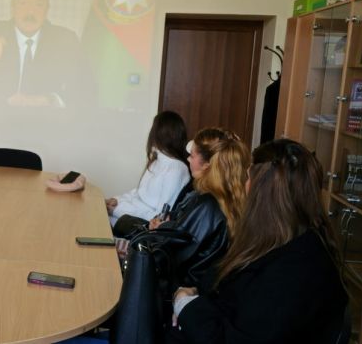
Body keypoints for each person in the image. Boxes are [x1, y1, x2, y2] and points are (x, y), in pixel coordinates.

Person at [169, 139, 347, 344]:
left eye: (247, 178)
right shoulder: (279, 245)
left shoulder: (292, 273)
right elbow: (218, 282)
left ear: (262, 192)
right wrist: (193, 296)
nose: (244, 186)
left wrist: (185, 305)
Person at [145, 127, 249, 295]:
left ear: (207, 165)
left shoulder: (207, 205)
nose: (187, 159)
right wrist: (167, 227)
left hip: (181, 291)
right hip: (203, 290)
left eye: (192, 156)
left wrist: (157, 233)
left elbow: (176, 255)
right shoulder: (229, 200)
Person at [106, 111, 190, 230]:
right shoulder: (157, 161)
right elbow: (138, 193)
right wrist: (117, 200)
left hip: (139, 227)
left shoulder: (176, 170)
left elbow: (159, 217)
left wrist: (118, 210)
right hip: (125, 215)